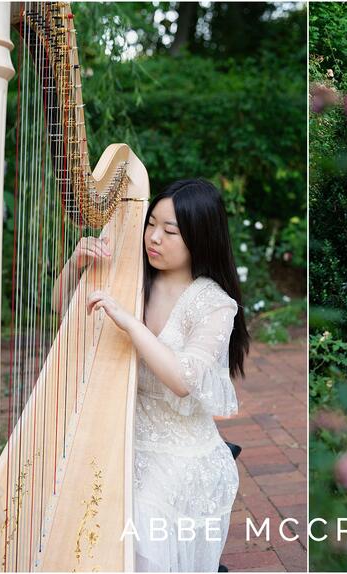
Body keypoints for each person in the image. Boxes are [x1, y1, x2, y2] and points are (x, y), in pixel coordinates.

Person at [81, 179, 249, 571]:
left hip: (180, 451)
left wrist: (128, 321)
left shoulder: (213, 303)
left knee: (140, 526)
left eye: (170, 231)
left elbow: (182, 379)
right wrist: (77, 263)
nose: (153, 238)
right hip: (122, 434)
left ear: (199, 237)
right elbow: (63, 314)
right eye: (151, 224)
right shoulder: (133, 275)